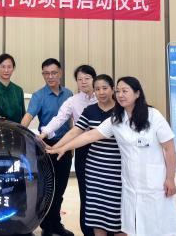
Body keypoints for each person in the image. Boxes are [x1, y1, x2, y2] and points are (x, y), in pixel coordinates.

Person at [47, 76, 176, 236]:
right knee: (132, 225)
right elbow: (90, 135)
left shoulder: (153, 115)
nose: (121, 95)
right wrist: (63, 148)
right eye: (118, 91)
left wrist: (170, 178)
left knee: (157, 224)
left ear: (137, 93)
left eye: (125, 91)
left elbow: (169, 148)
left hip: (155, 183)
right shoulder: (116, 119)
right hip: (130, 184)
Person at [51, 74, 122, 236]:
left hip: (117, 167)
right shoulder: (90, 110)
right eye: (97, 89)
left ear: (112, 89)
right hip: (94, 167)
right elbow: (75, 131)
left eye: (105, 88)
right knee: (96, 208)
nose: (101, 92)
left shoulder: (121, 110)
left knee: (117, 210)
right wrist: (56, 147)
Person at [37, 64, 98, 233]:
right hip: (82, 148)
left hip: (105, 149)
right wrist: (44, 133)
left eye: (87, 78)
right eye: (79, 79)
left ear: (94, 79)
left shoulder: (102, 97)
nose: (83, 82)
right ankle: (88, 230)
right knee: (85, 190)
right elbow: (60, 118)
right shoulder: (73, 100)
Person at [21, 58, 74, 236]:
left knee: (60, 188)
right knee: (46, 188)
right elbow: (28, 117)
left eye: (53, 73)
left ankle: (55, 224)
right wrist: (19, 132)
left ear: (60, 73)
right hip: (46, 146)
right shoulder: (39, 96)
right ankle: (46, 225)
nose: (50, 77)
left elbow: (71, 121)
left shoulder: (68, 94)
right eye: (46, 73)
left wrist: (72, 145)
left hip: (65, 144)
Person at [0, 53, 25, 122]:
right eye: (3, 67)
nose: (6, 70)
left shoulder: (19, 90)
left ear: (13, 68)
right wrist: (0, 122)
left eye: (9, 67)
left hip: (16, 128)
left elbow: (23, 115)